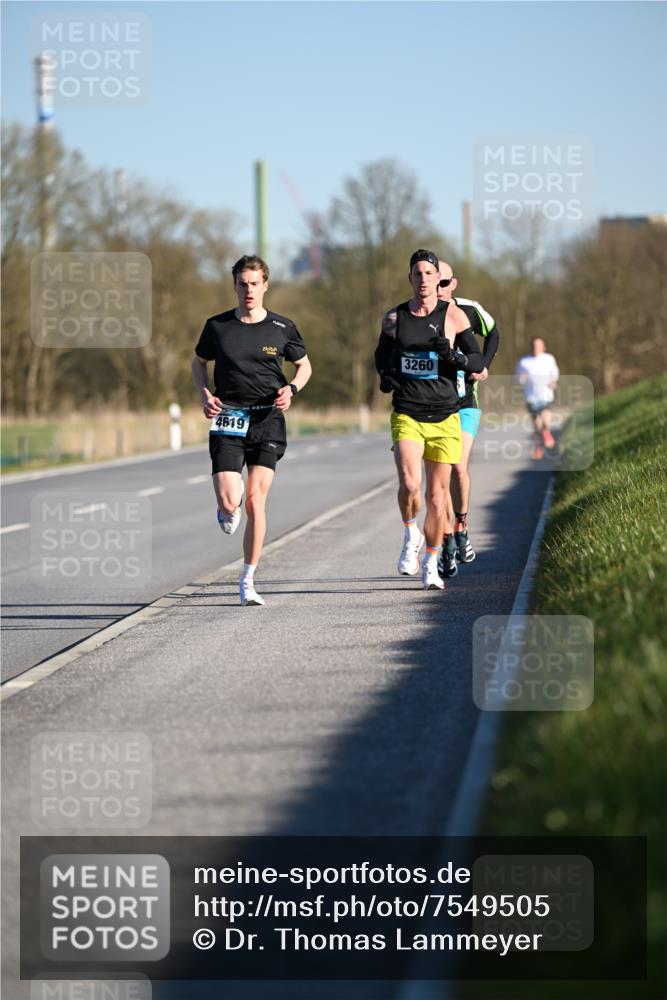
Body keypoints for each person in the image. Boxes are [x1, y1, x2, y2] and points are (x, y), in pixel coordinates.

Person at [192, 254, 312, 606]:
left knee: (257, 501)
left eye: (254, 283)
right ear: (234, 286)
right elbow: (199, 362)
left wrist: (292, 389)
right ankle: (227, 508)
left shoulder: (282, 327)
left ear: (265, 286)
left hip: (267, 420)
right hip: (228, 417)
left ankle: (248, 580)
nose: (248, 290)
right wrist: (205, 392)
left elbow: (304, 366)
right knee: (232, 503)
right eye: (242, 284)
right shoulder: (217, 326)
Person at [374, 249, 485, 591]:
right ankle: (411, 535)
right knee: (410, 484)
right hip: (408, 411)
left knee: (438, 499)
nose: (423, 279)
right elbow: (381, 355)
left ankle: (432, 562)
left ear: (439, 279)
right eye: (417, 273)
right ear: (410, 279)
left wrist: (452, 356)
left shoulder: (454, 316)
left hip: (445, 414)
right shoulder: (394, 319)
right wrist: (386, 375)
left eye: (429, 273)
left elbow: (478, 360)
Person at [435, 261, 500, 578]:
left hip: (466, 403)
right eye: (435, 281)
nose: (439, 288)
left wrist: (483, 365)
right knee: (442, 474)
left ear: (453, 283)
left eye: (444, 282)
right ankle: (448, 539)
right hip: (435, 405)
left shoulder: (469, 310)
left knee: (458, 466)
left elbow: (494, 332)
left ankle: (461, 522)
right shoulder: (422, 315)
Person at [515, 337, 559, 460]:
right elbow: (518, 378)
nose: (536, 348)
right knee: (537, 426)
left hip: (546, 395)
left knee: (546, 422)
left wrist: (553, 381)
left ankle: (546, 433)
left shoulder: (549, 359)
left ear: (543, 347)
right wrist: (522, 377)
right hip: (531, 397)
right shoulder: (524, 361)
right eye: (534, 345)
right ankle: (538, 447)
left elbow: (555, 373)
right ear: (531, 347)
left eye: (539, 345)